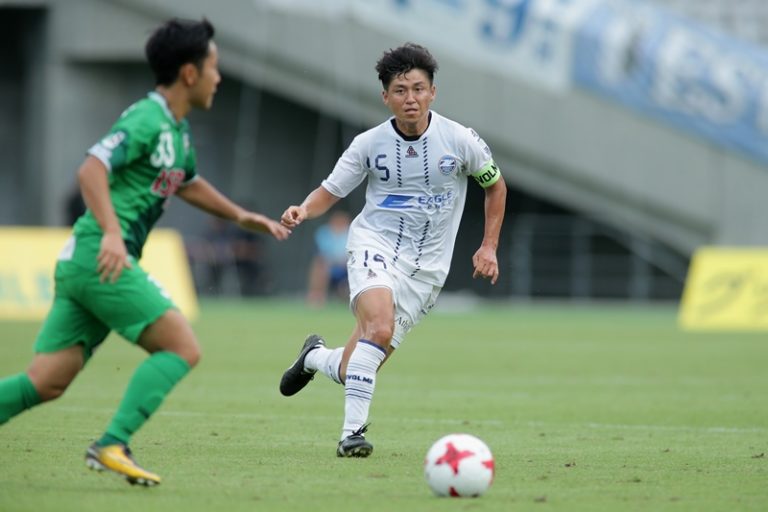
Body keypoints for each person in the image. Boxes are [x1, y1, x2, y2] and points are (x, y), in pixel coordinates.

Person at [0, 18, 290, 486]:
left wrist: (241, 216)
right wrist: (113, 233)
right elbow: (92, 168)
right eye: (214, 67)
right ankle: (112, 443)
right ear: (190, 73)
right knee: (182, 347)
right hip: (101, 256)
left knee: (46, 380)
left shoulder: (177, 130)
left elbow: (186, 182)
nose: (219, 77)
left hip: (85, 262)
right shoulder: (148, 118)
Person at [278, 43, 506, 457]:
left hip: (427, 271)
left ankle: (314, 358)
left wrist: (489, 246)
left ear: (433, 92)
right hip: (375, 245)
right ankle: (351, 435)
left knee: (353, 367)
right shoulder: (368, 144)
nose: (410, 98)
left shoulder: (460, 140)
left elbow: (495, 185)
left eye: (418, 89)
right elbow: (331, 190)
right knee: (379, 329)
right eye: (400, 90)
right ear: (386, 97)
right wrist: (303, 210)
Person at [306, 209, 350, 307]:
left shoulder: (352, 233)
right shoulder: (323, 233)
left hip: (347, 266)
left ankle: (348, 294)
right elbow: (321, 254)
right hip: (329, 266)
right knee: (318, 265)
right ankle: (317, 297)